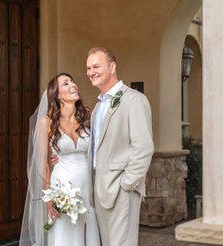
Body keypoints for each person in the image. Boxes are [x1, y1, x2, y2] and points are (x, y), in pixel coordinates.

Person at [19, 73, 100, 246]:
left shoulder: (87, 114)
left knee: (89, 235)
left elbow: (99, 149)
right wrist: (49, 199)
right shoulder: (46, 122)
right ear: (56, 95)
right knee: (65, 237)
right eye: (66, 83)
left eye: (73, 81)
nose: (73, 85)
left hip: (89, 186)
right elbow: (43, 164)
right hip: (62, 187)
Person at [86, 47, 154, 246]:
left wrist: (127, 184)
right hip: (100, 189)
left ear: (112, 66)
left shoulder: (134, 100)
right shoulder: (98, 106)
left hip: (120, 189)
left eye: (96, 66)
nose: (91, 72)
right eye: (88, 68)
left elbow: (143, 146)